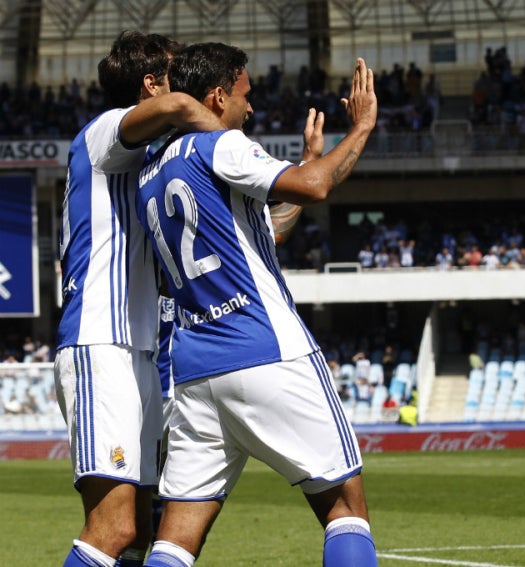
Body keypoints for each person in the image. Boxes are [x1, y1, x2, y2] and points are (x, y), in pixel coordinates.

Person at [136, 43, 378, 567]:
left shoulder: (151, 173)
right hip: (266, 348)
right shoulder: (220, 144)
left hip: (196, 372)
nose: (251, 108)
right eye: (246, 95)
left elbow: (265, 232)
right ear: (218, 95)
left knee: (175, 538)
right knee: (345, 508)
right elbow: (313, 189)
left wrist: (311, 159)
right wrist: (360, 128)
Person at [53, 31, 225, 567]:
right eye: (178, 74)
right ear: (150, 85)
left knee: (140, 534)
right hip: (99, 343)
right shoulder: (102, 133)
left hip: (141, 354)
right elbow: (176, 105)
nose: (189, 86)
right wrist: (229, 140)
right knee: (114, 527)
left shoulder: (150, 168)